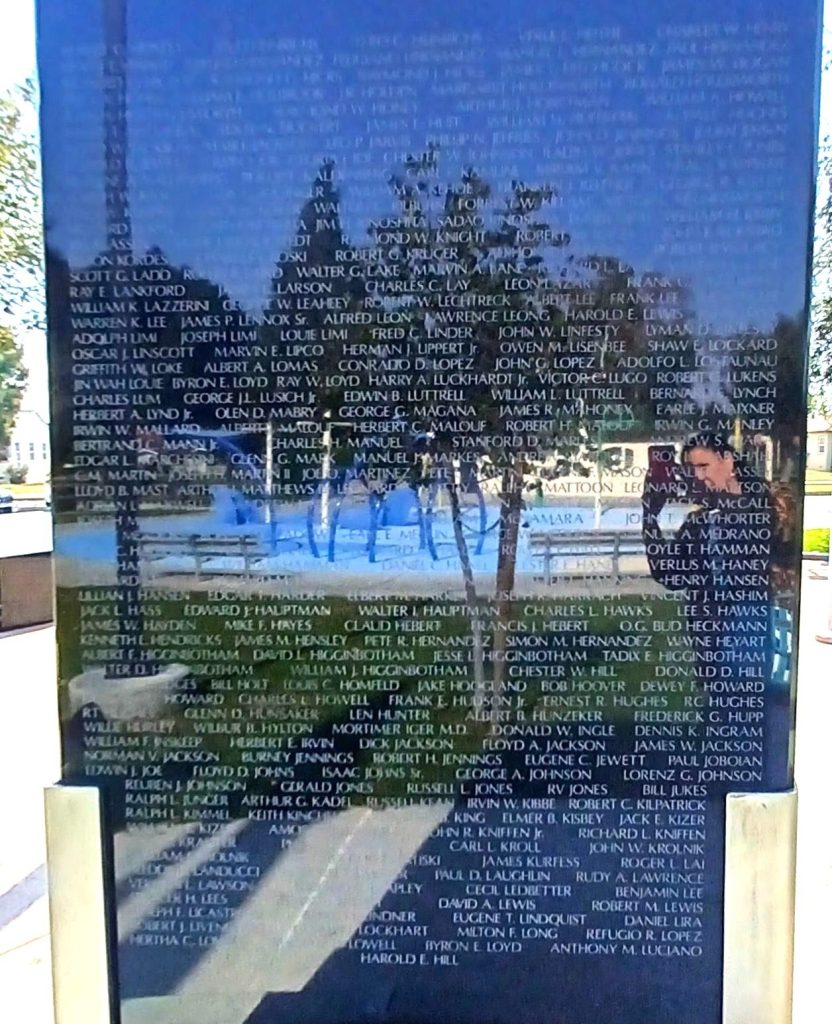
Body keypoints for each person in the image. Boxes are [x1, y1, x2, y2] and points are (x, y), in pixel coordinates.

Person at [641, 432, 775, 689]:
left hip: (755, 640)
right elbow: (669, 574)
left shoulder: (768, 504)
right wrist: (649, 516)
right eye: (691, 470)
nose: (699, 477)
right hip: (710, 648)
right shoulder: (698, 522)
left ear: (728, 461)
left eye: (704, 466)